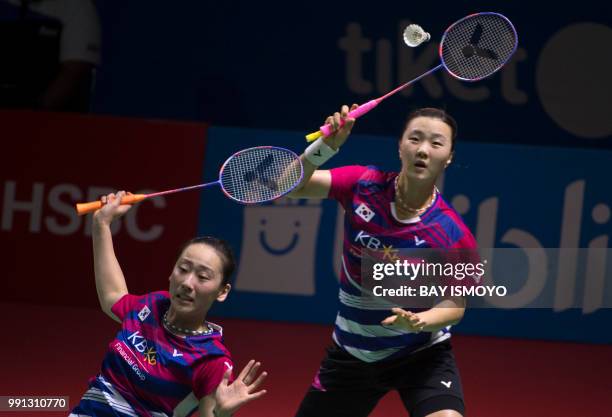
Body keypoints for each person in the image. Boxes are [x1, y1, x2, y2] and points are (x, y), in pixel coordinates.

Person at [288, 105, 478, 417]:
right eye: (415, 139)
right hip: (352, 353)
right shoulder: (363, 184)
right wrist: (326, 146)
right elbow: (292, 186)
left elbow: (455, 306)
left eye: (436, 143)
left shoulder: (453, 234)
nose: (423, 150)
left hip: (421, 354)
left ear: (450, 158)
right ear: (400, 145)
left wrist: (419, 320)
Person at [70, 191, 267, 417]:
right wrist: (101, 223)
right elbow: (112, 296)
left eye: (203, 277)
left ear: (222, 292)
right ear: (171, 273)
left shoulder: (211, 360)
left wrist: (221, 415)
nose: (187, 283)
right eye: (183, 269)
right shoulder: (153, 305)